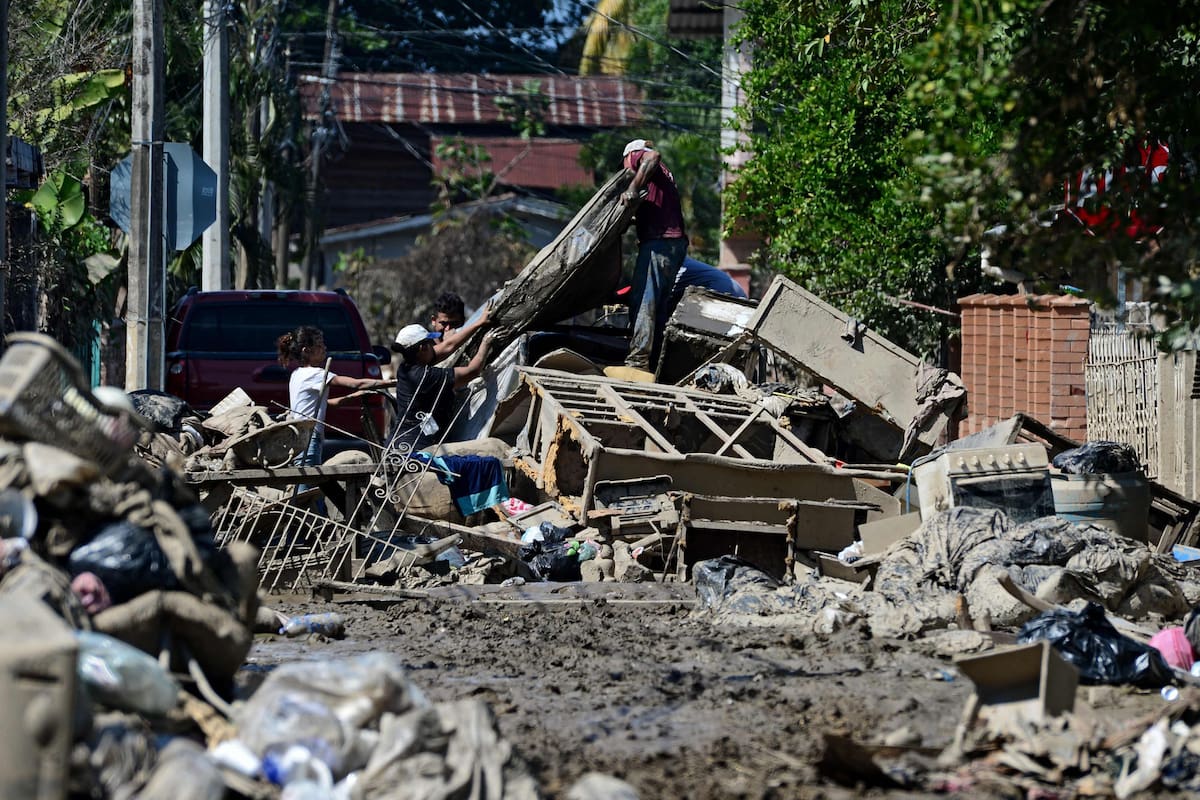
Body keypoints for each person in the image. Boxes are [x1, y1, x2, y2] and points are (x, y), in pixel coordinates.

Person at [275, 325, 394, 467]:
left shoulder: (297, 374)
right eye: (319, 345)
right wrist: (391, 382)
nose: (324, 348)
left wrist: (354, 397)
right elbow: (356, 383)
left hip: (299, 437)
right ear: (306, 351)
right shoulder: (315, 374)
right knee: (308, 478)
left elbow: (324, 404)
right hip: (309, 438)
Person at [619, 139, 688, 372]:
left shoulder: (639, 156)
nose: (625, 171)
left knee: (643, 300)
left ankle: (637, 362)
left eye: (624, 165)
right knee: (658, 306)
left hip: (660, 243)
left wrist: (632, 187)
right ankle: (655, 363)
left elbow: (653, 156)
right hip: (674, 244)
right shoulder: (662, 178)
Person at [388, 323, 495, 450]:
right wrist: (485, 344)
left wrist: (479, 323)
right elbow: (472, 371)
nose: (434, 346)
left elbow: (448, 346)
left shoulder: (405, 368)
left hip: (396, 444)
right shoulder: (426, 376)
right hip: (415, 448)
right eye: (431, 343)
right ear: (423, 348)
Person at [428, 291, 491, 360]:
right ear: (434, 321)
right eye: (443, 323)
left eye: (454, 324)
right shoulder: (425, 346)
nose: (448, 329)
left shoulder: (473, 340)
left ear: (463, 321)